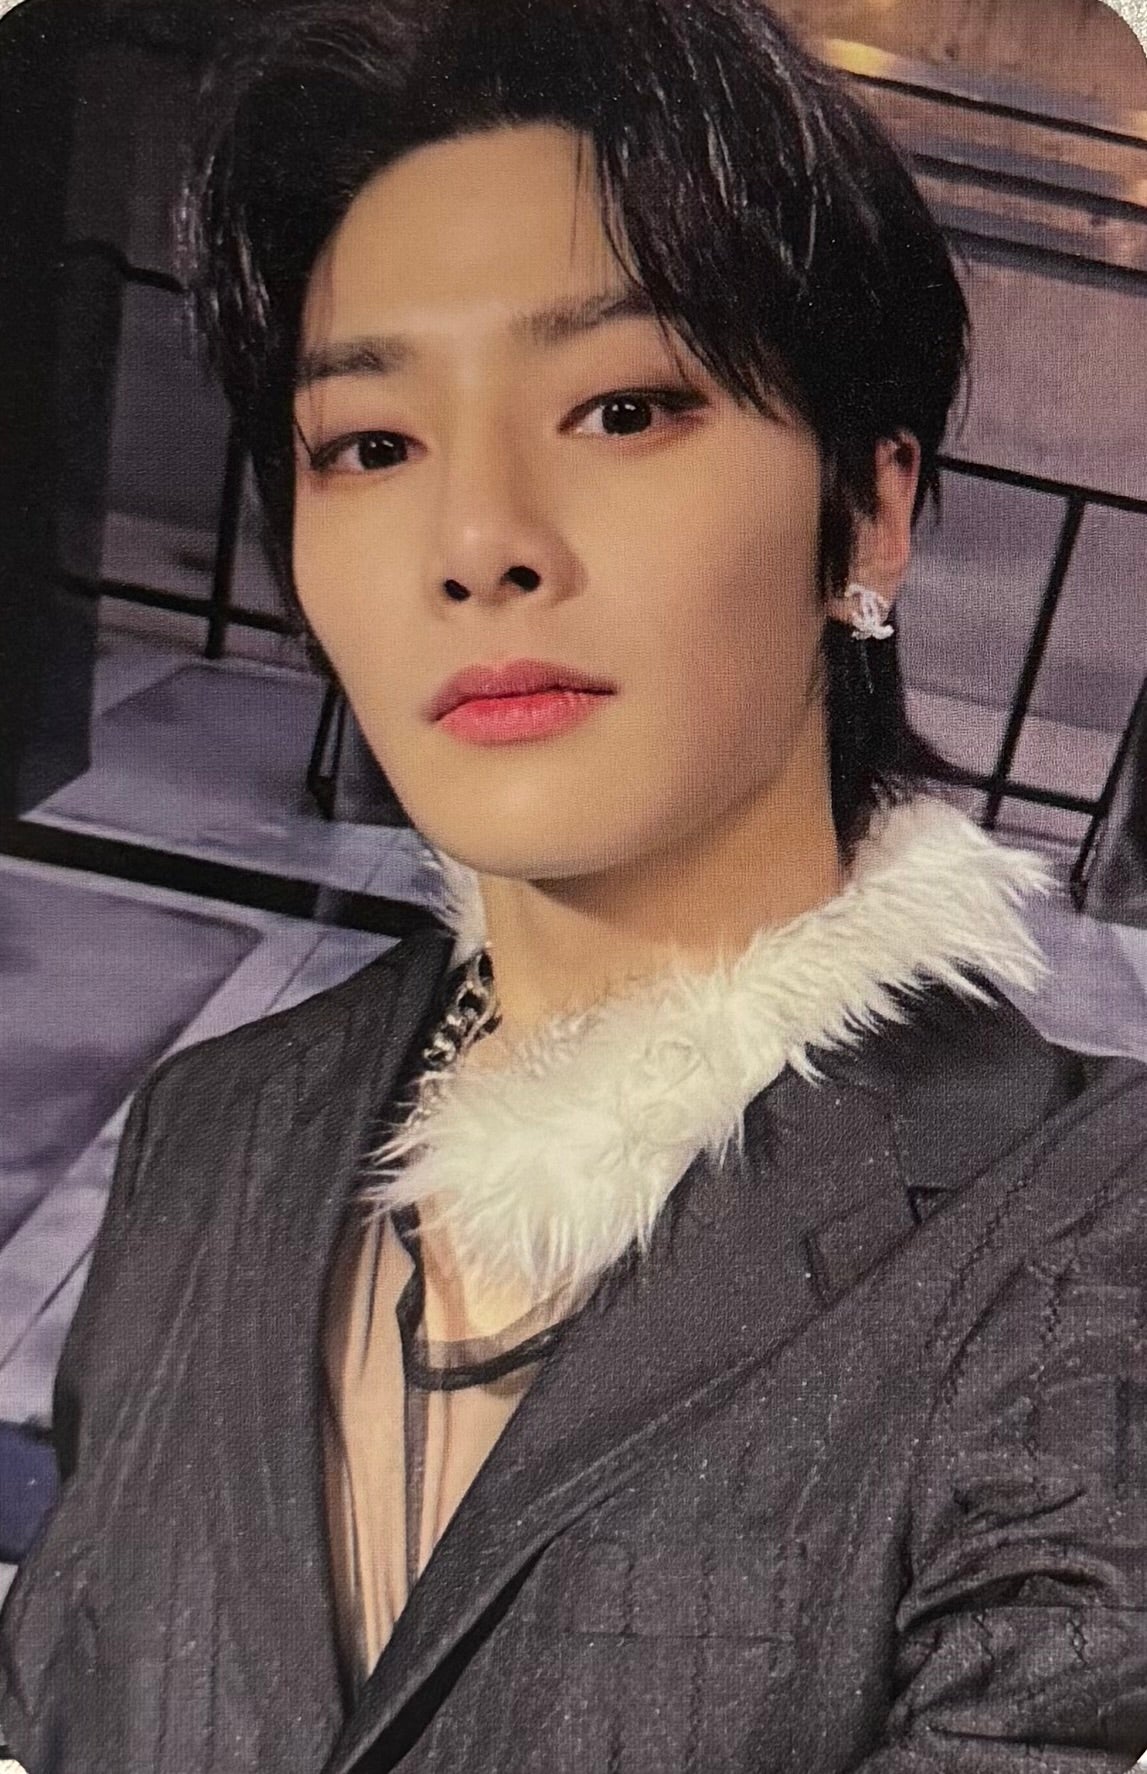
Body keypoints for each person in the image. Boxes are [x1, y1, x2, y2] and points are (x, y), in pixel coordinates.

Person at [1, 0, 1146, 1768]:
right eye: (370, 444)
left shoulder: (1085, 1232)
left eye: (622, 407)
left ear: (868, 511)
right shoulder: (209, 1132)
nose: (477, 543)